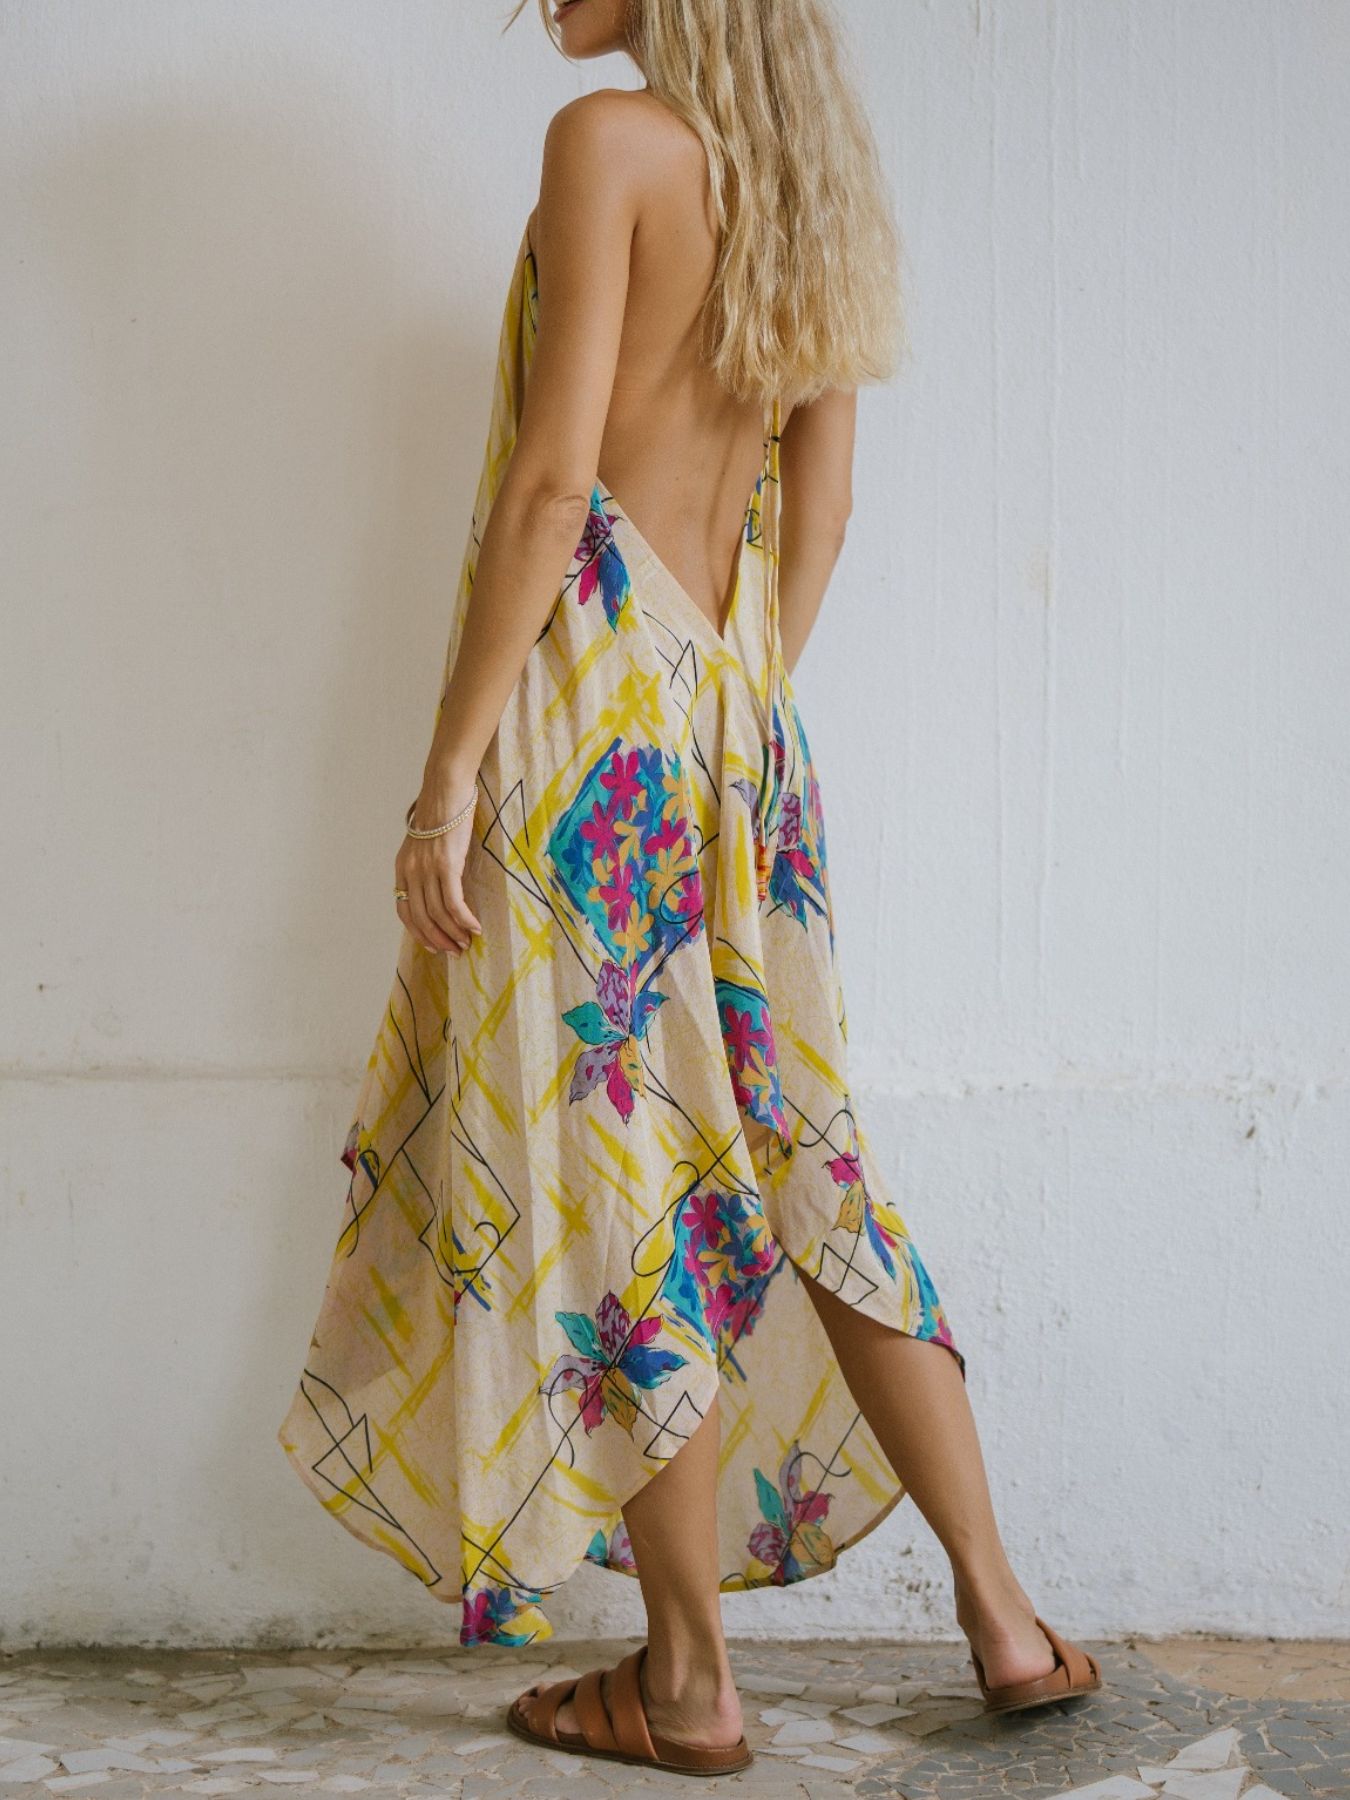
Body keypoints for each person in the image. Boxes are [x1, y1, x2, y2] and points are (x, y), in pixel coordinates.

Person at [276, 0, 1101, 1777]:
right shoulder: (810, 183)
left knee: (618, 1193)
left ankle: (685, 1683)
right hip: (740, 723)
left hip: (586, 727)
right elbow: (824, 509)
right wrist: (723, 705)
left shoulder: (609, 148)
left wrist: (449, 773)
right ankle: (1005, 1618)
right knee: (808, 1158)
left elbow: (553, 481)